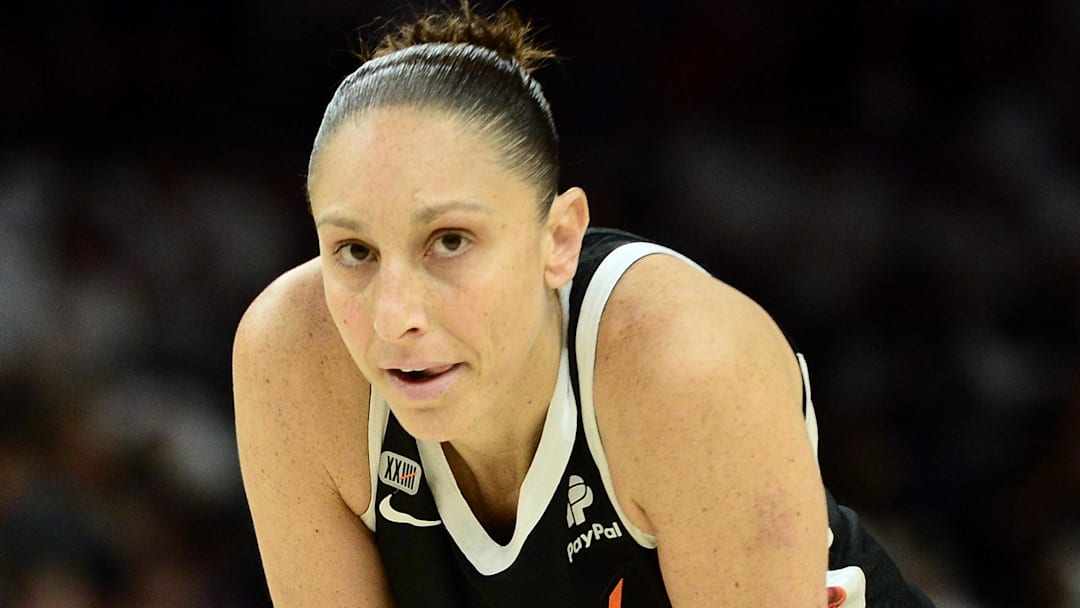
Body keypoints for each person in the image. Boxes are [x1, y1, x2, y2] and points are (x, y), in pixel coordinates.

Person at [233, 4, 936, 607]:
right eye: (354, 251)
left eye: (449, 241)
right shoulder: (292, 359)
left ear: (559, 238)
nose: (395, 317)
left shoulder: (686, 366)